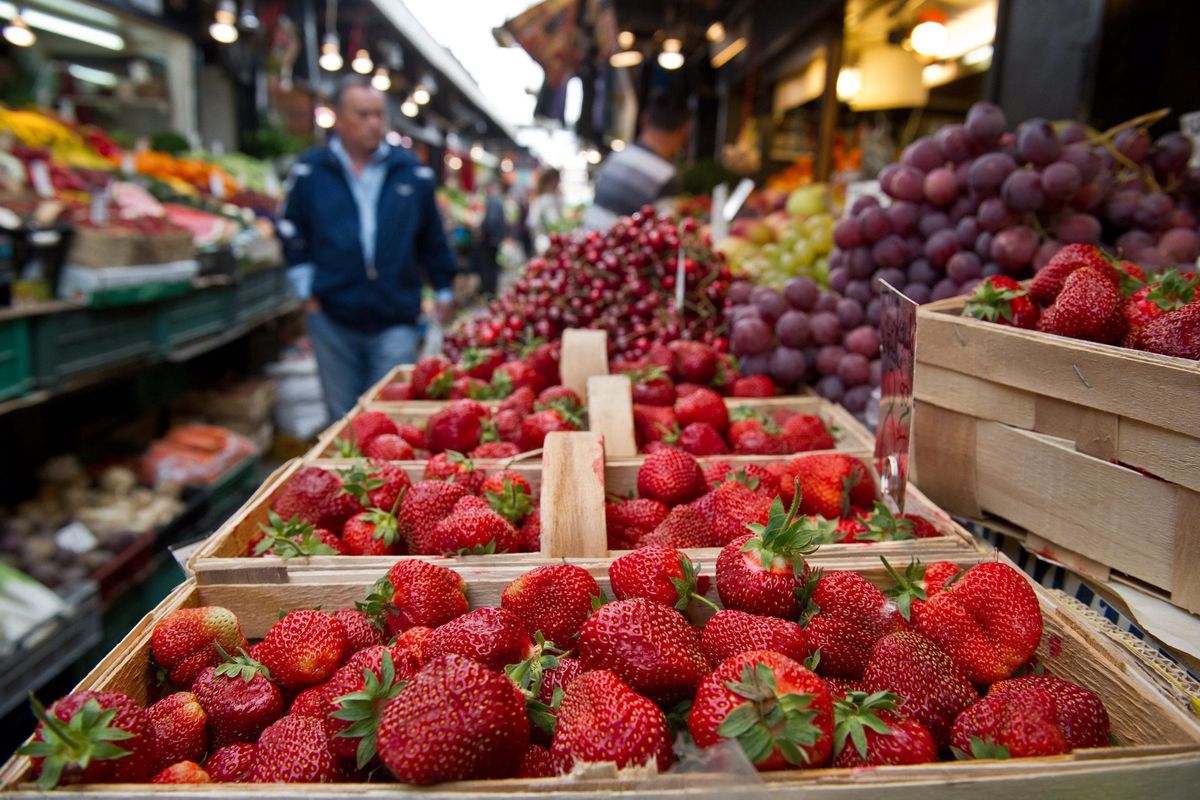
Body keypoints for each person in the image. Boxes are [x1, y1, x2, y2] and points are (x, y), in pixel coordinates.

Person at [280, 78, 456, 419]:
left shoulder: (411, 172)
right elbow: (291, 231)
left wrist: (444, 287)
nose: (373, 123)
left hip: (396, 315)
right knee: (343, 418)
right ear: (338, 116)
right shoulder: (311, 171)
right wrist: (307, 294)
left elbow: (432, 236)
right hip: (332, 315)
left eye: (379, 115)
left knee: (390, 415)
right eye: (363, 114)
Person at [583, 88, 691, 230]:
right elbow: (666, 231)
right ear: (685, 129)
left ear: (644, 119)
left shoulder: (618, 157)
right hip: (617, 243)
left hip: (589, 239)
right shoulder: (666, 176)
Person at [476, 179, 507, 298]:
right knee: (492, 265)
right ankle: (491, 290)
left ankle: (488, 290)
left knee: (488, 265)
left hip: (490, 240)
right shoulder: (498, 201)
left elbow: (491, 221)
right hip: (495, 239)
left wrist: (483, 232)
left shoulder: (493, 202)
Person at [527, 168, 563, 254]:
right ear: (553, 181)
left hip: (540, 242)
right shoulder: (547, 199)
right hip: (548, 244)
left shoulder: (538, 198)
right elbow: (554, 223)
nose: (559, 183)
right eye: (558, 180)